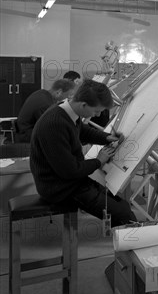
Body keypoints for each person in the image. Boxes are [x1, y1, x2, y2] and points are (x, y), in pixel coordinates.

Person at [29, 79, 136, 228]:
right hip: (60, 188)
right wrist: (99, 161)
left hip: (72, 182)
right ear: (83, 105)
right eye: (96, 111)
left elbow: (82, 131)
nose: (98, 115)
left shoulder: (68, 111)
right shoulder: (55, 123)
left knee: (123, 206)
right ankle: (128, 246)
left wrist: (106, 138)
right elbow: (70, 171)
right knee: (124, 215)